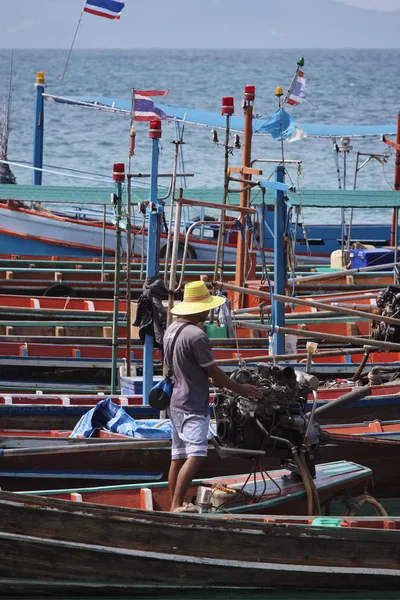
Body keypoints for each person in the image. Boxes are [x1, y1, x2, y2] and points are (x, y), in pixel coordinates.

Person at [164, 280, 262, 513]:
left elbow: (180, 366)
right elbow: (215, 372)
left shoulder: (171, 330)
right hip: (192, 404)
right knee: (196, 455)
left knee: (178, 456)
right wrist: (241, 389)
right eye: (207, 307)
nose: (208, 312)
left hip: (175, 403)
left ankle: (173, 504)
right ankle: (177, 505)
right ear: (199, 308)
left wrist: (204, 379)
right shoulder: (196, 336)